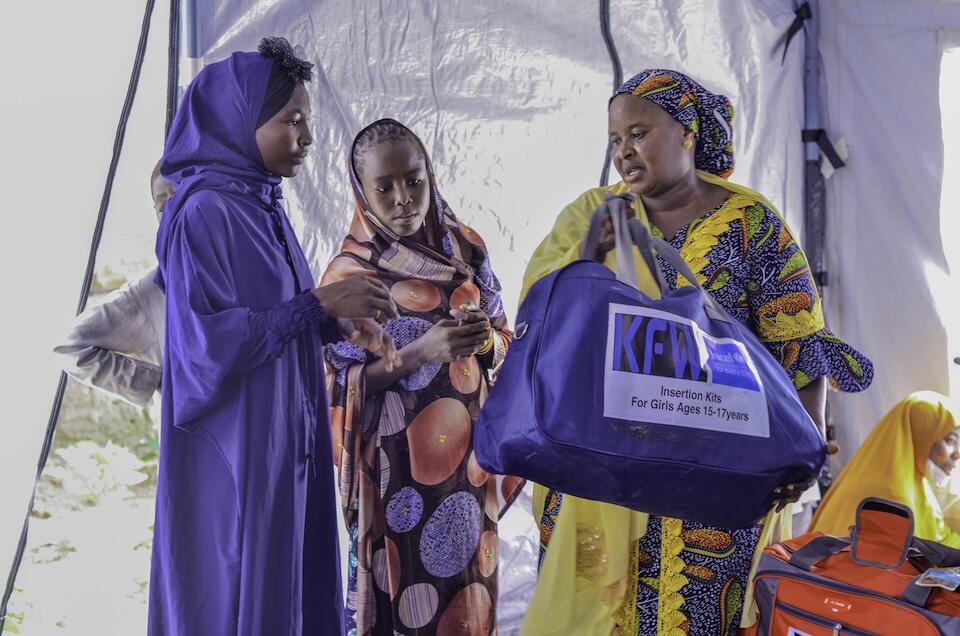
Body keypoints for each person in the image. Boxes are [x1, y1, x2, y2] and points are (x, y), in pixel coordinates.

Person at [520, 69, 874, 635]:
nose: (624, 151)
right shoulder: (595, 214)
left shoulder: (753, 226)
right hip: (604, 469)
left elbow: (799, 344)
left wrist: (807, 448)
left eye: (639, 132)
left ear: (687, 133)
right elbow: (543, 324)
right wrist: (590, 252)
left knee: (701, 616)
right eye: (615, 139)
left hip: (716, 471)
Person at [148, 38, 400, 635]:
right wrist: (316, 303)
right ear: (240, 121)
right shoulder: (205, 212)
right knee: (240, 588)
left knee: (291, 587)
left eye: (308, 120)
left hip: (285, 439)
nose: (308, 136)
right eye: (291, 121)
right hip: (238, 452)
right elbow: (206, 346)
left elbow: (276, 317)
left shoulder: (262, 203)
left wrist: (332, 320)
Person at [320, 119, 519, 635]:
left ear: (430, 173)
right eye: (383, 188)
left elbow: (506, 339)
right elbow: (337, 386)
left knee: (468, 599)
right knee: (406, 598)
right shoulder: (351, 274)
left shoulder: (466, 248)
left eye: (413, 180)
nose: (403, 199)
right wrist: (419, 353)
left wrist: (486, 343)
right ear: (361, 193)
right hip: (398, 476)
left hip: (469, 471)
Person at [53, 163, 171, 408]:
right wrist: (157, 381)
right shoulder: (151, 290)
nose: (173, 210)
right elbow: (71, 348)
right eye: (163, 205)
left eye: (183, 196)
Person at [809, 392, 960, 546]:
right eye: (950, 441)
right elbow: (913, 559)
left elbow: (936, 540)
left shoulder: (913, 482)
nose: (957, 453)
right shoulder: (891, 497)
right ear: (921, 435)